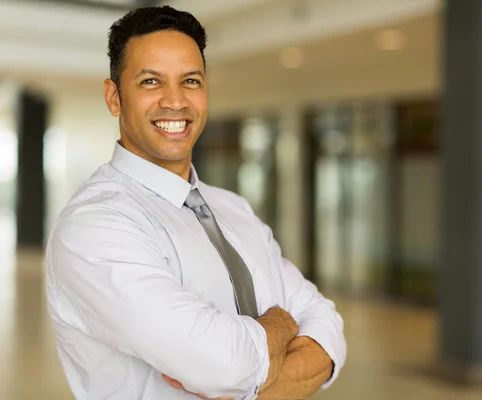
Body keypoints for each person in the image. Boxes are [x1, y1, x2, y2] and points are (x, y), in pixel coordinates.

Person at [46, 5, 347, 400]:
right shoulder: (94, 226)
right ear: (114, 97)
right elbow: (222, 363)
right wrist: (280, 324)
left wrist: (247, 379)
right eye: (151, 81)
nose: (176, 101)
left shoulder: (233, 209)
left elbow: (329, 333)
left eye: (190, 80)